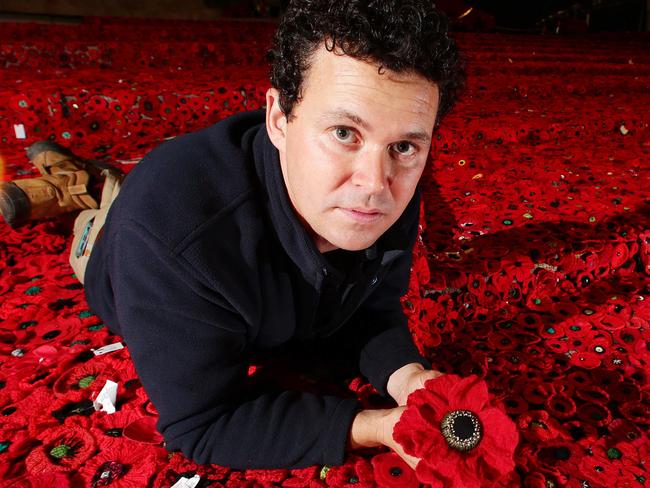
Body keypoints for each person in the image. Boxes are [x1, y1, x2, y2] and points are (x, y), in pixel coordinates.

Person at [0, 0, 464, 470]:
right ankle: (75, 187)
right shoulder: (168, 241)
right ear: (279, 118)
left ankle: (86, 175)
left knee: (115, 190)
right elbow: (202, 424)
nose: (374, 184)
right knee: (99, 219)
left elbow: (371, 309)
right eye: (344, 132)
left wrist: (408, 376)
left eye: (404, 145)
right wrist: (374, 427)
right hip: (121, 242)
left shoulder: (388, 185)